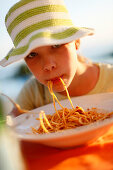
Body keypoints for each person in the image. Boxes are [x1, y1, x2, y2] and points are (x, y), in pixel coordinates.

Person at [0, 0, 113, 116]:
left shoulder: (110, 78)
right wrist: (15, 124)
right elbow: (14, 129)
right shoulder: (32, 94)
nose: (48, 65)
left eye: (56, 45)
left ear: (76, 42)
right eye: (32, 54)